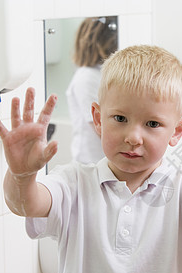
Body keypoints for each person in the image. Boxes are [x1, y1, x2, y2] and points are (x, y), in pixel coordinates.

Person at [0, 45, 182, 273]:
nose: (133, 137)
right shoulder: (73, 183)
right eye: (120, 119)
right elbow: (25, 203)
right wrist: (22, 175)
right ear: (98, 119)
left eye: (152, 123)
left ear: (177, 131)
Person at [66, 16, 118, 164]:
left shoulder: (102, 74)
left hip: (105, 160)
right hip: (91, 161)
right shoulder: (87, 77)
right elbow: (99, 127)